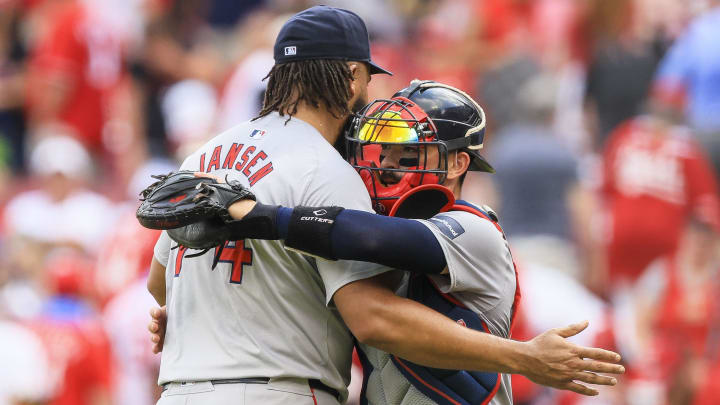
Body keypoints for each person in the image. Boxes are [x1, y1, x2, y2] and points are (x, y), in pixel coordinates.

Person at [146, 6, 624, 405]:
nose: (390, 164)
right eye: (389, 151)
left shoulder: (202, 157)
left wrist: (214, 294)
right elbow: (371, 316)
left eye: (411, 153)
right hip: (277, 390)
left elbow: (160, 282)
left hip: (180, 389)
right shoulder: (327, 170)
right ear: (354, 76)